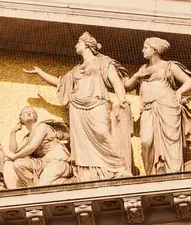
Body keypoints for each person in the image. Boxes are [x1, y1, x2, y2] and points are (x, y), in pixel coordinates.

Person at [26, 33, 133, 180]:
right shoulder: (76, 70)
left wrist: (122, 99)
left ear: (87, 45)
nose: (76, 45)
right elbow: (60, 82)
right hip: (77, 109)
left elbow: (115, 81)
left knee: (102, 133)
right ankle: (89, 175)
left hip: (97, 103)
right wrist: (40, 73)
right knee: (83, 146)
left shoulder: (103, 62)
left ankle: (120, 167)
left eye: (78, 42)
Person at [124, 37, 191, 175]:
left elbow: (190, 81)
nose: (142, 50)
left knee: (171, 141)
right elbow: (127, 86)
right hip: (148, 109)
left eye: (145, 47)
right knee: (146, 141)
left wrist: (180, 92)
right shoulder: (143, 69)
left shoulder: (169, 66)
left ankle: (174, 172)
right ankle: (151, 174)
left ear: (154, 50)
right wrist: (137, 75)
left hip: (168, 107)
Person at [0, 107, 71, 188]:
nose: (29, 113)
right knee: (18, 164)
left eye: (31, 112)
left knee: (43, 186)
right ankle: (32, 187)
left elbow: (32, 147)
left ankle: (69, 181)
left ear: (35, 117)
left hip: (57, 161)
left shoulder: (42, 127)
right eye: (25, 112)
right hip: (43, 163)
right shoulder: (27, 138)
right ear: (21, 119)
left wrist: (14, 156)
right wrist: (13, 132)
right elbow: (13, 150)